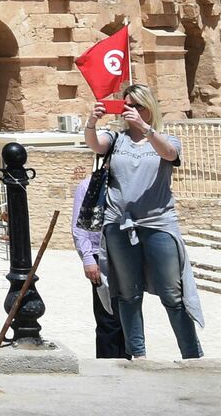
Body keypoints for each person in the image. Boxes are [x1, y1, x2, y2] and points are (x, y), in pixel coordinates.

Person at [86, 84, 205, 359]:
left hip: (158, 224)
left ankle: (191, 355)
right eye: (128, 106)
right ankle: (137, 355)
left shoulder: (168, 139)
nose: (132, 111)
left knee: (172, 295)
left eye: (138, 106)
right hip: (118, 224)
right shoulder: (116, 138)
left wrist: (146, 129)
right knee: (128, 294)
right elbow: (94, 144)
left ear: (150, 108)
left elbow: (170, 155)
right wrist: (92, 121)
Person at [70, 174, 128, 359]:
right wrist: (87, 258)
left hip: (127, 253)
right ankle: (109, 364)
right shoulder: (88, 185)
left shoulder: (130, 183)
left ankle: (128, 360)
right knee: (107, 316)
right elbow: (79, 226)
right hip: (99, 254)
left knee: (128, 313)